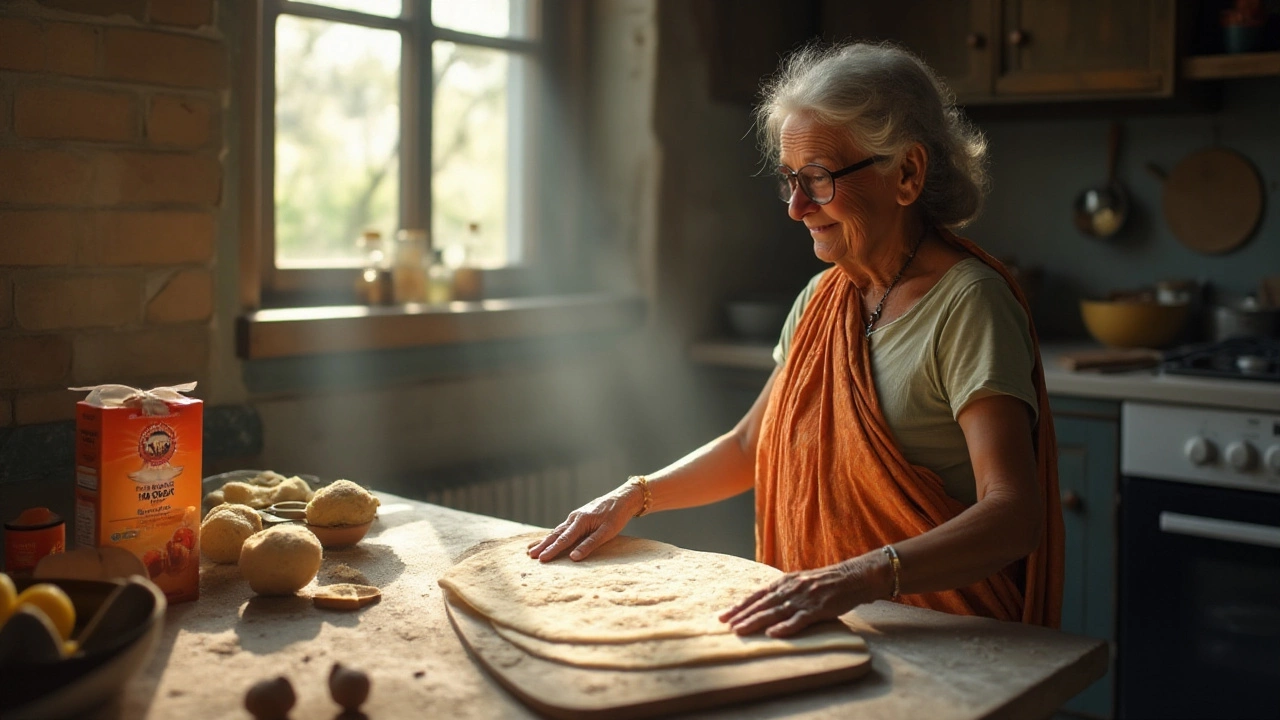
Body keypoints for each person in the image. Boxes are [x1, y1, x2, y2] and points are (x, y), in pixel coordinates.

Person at [528, 42, 1064, 636]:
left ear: (907, 174)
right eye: (790, 180)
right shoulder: (820, 300)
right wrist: (633, 495)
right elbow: (749, 445)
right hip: (829, 624)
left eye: (819, 179)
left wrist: (854, 577)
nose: (797, 207)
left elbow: (1014, 515)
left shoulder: (969, 305)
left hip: (945, 637)